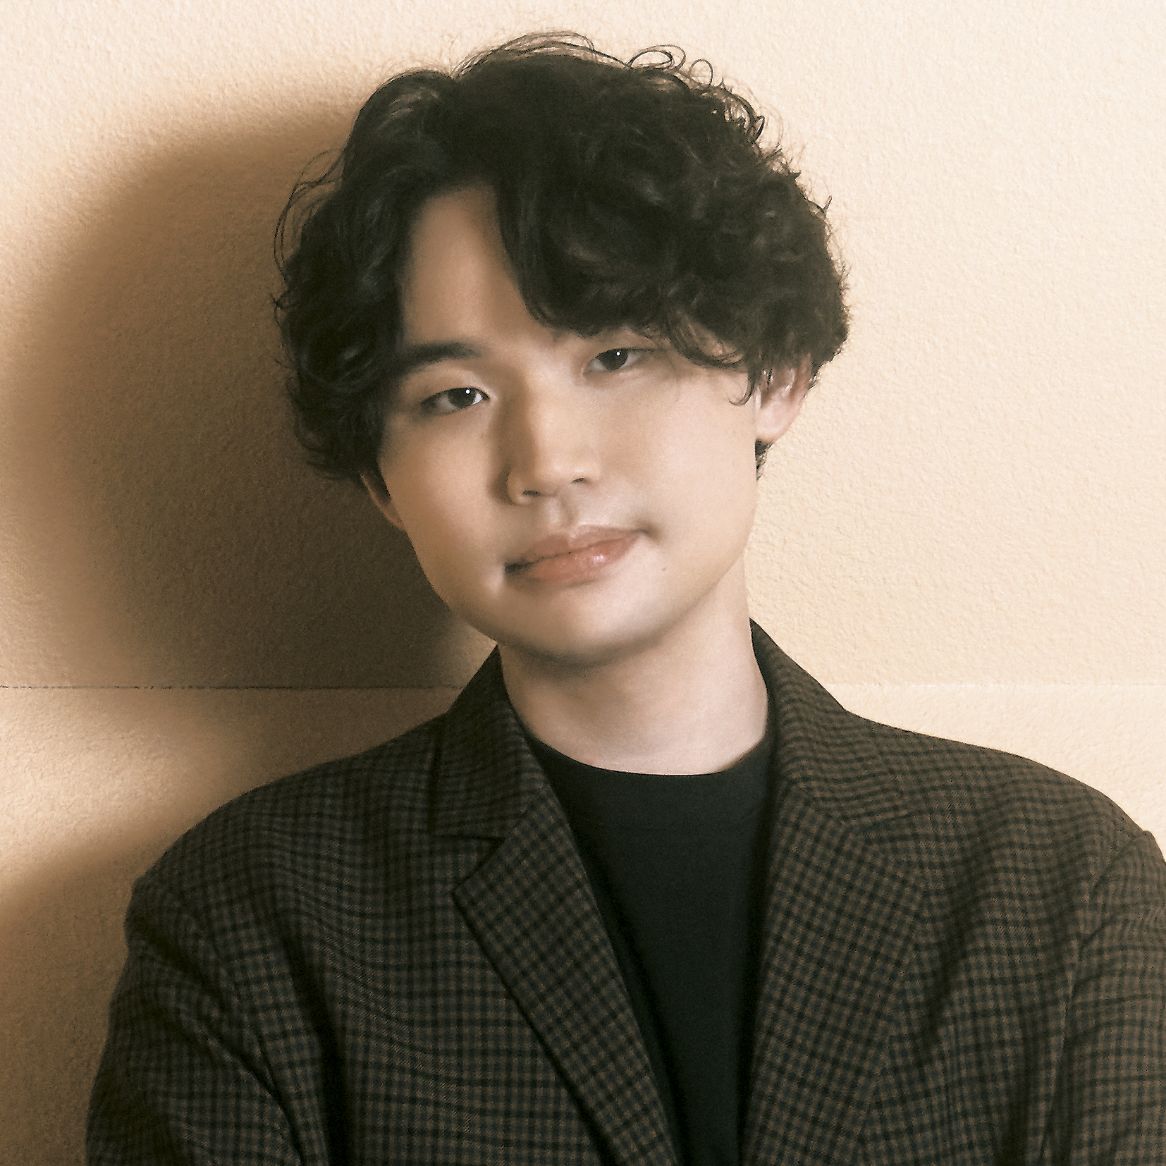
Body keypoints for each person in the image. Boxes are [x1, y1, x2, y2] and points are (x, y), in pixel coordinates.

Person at [87, 33, 1165, 1165]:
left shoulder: (1058, 883)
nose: (545, 461)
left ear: (773, 373)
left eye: (614, 356)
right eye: (455, 394)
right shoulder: (252, 917)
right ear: (380, 480)